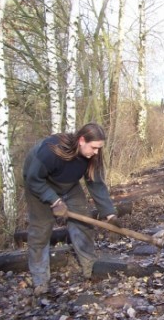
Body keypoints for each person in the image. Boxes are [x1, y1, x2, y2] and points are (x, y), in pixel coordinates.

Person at [23, 122, 121, 295]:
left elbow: (96, 183)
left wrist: (109, 213)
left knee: (82, 222)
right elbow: (33, 179)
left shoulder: (93, 156)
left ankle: (89, 266)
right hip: (40, 185)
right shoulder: (50, 151)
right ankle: (40, 281)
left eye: (99, 148)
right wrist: (54, 201)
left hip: (68, 185)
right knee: (40, 231)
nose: (96, 152)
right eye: (94, 147)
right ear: (82, 140)